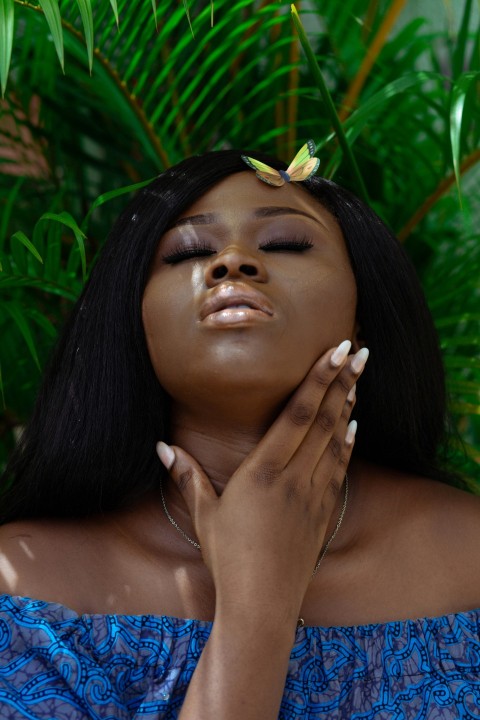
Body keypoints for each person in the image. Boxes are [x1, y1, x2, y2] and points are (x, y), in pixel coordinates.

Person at [0, 149, 479, 720]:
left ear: (361, 313)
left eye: (285, 243)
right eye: (189, 252)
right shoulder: (22, 586)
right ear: (134, 317)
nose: (232, 262)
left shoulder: (469, 558)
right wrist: (257, 605)